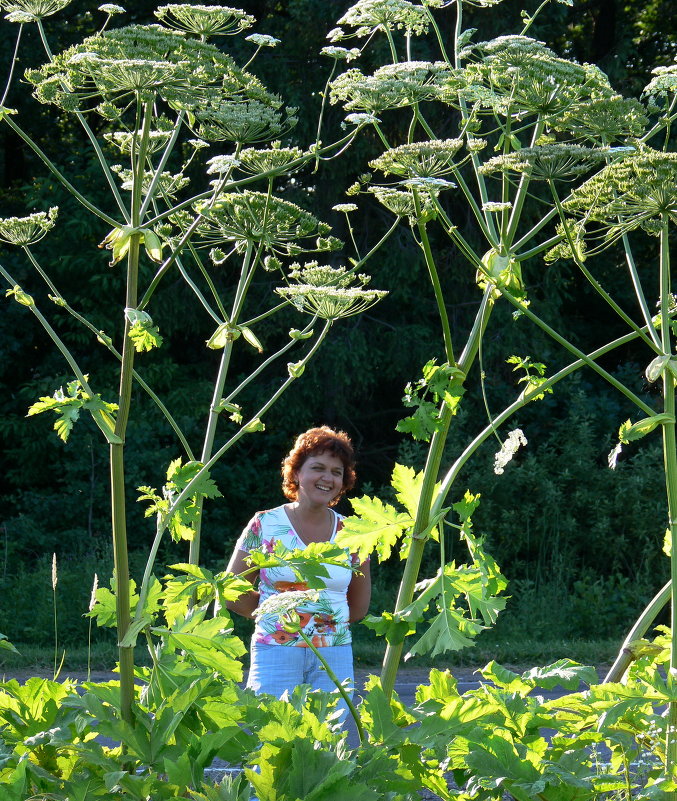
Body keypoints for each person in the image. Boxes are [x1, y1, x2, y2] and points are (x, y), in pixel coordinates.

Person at [225, 426, 371, 709]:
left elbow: (359, 607)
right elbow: (232, 590)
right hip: (275, 652)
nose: (327, 478)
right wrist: (276, 615)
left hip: (334, 656)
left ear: (344, 481)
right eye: (317, 468)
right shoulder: (264, 524)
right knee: (272, 739)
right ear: (296, 473)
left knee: (329, 745)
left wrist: (323, 625)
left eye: (336, 472)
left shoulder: (354, 533)